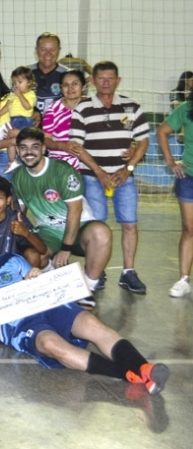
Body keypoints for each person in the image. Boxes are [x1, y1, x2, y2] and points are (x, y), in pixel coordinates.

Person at [0, 232, 170, 395]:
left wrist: (36, 274)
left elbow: (36, 276)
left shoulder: (10, 260)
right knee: (51, 345)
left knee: (91, 323)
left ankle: (144, 367)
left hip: (46, 304)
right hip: (18, 326)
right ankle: (129, 373)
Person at [69, 61, 149, 294]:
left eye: (110, 78)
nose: (105, 82)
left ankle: (129, 273)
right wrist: (99, 172)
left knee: (130, 224)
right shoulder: (82, 109)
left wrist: (129, 169)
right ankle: (96, 271)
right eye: (100, 78)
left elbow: (143, 141)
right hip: (93, 178)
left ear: (118, 80)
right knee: (96, 226)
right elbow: (77, 147)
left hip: (124, 178)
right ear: (92, 81)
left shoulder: (132, 107)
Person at [11, 127, 112, 307]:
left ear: (43, 149)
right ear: (17, 151)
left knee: (102, 233)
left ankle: (87, 288)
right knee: (33, 255)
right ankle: (58, 275)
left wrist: (66, 247)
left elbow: (75, 210)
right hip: (48, 231)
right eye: (23, 148)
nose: (29, 152)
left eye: (34, 147)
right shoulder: (18, 176)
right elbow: (19, 212)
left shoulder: (62, 170)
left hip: (80, 226)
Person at [0, 176, 49, 267]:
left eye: (0, 198)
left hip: (14, 266)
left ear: (8, 200)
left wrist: (25, 233)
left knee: (33, 255)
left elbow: (43, 250)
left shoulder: (16, 217)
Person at [157, 94, 193, 298]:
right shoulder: (187, 108)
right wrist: (171, 162)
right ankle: (184, 279)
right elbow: (162, 131)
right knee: (189, 229)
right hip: (188, 177)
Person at [42, 70, 88, 171]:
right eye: (66, 85)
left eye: (75, 84)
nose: (70, 88)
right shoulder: (53, 108)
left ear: (84, 87)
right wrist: (63, 146)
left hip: (88, 166)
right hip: (59, 166)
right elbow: (46, 140)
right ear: (61, 89)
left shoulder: (92, 107)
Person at [0, 66, 36, 172]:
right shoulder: (12, 95)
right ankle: (12, 161)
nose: (16, 85)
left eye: (20, 82)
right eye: (14, 82)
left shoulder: (30, 94)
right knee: (10, 141)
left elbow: (28, 106)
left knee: (24, 142)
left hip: (24, 120)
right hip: (13, 120)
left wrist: (20, 95)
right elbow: (7, 106)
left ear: (29, 82)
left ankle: (26, 161)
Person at [30, 32, 67, 114]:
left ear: (59, 50)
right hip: (29, 125)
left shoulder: (68, 75)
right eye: (43, 49)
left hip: (58, 124)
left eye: (52, 49)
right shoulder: (25, 73)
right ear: (36, 50)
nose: (48, 53)